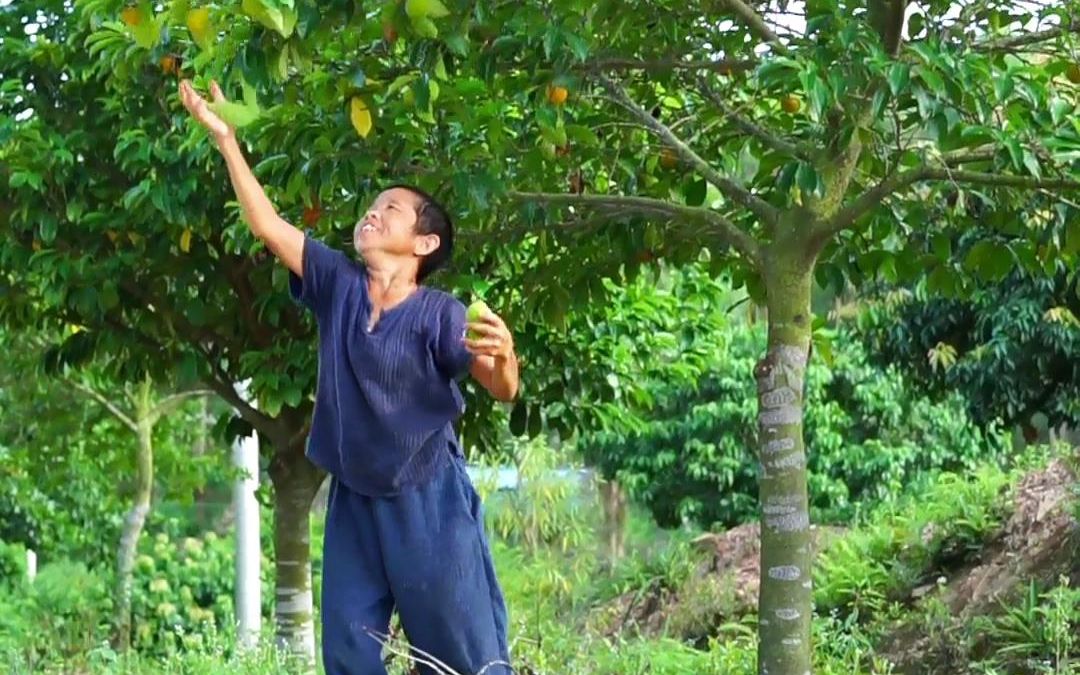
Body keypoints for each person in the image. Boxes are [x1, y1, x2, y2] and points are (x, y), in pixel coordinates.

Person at [179, 79, 516, 675]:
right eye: (373, 204)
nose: (373, 211)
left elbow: (499, 385)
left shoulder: (441, 314)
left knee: (465, 658)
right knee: (349, 652)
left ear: (423, 242)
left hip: (428, 497)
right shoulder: (336, 282)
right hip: (355, 498)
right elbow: (269, 227)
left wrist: (505, 357)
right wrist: (228, 142)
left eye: (391, 209)